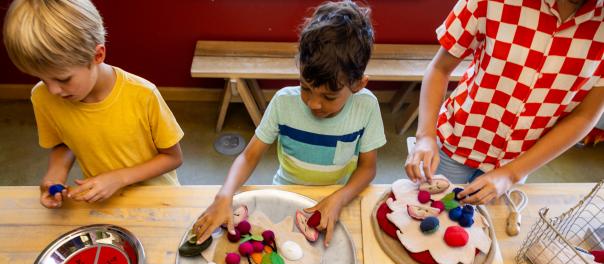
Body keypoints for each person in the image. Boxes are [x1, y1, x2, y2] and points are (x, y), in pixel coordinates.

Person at [193, 0, 386, 246]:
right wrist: (225, 193)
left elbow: (368, 168)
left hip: (335, 196)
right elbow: (249, 156)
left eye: (328, 97)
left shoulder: (367, 107)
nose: (313, 104)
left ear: (359, 84)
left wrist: (339, 198)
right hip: (284, 192)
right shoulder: (283, 102)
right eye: (305, 88)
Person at [405, 0, 604, 205]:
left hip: (520, 161)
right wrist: (425, 136)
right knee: (425, 212)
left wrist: (511, 174)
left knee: (485, 230)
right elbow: (440, 68)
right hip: (454, 142)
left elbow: (586, 115)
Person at [3, 0, 184, 208]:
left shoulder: (144, 95)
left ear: (98, 55)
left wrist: (119, 178)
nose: (53, 90)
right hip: (102, 200)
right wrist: (56, 173)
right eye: (43, 79)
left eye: (63, 79)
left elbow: (172, 158)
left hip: (158, 199)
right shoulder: (42, 97)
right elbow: (64, 142)